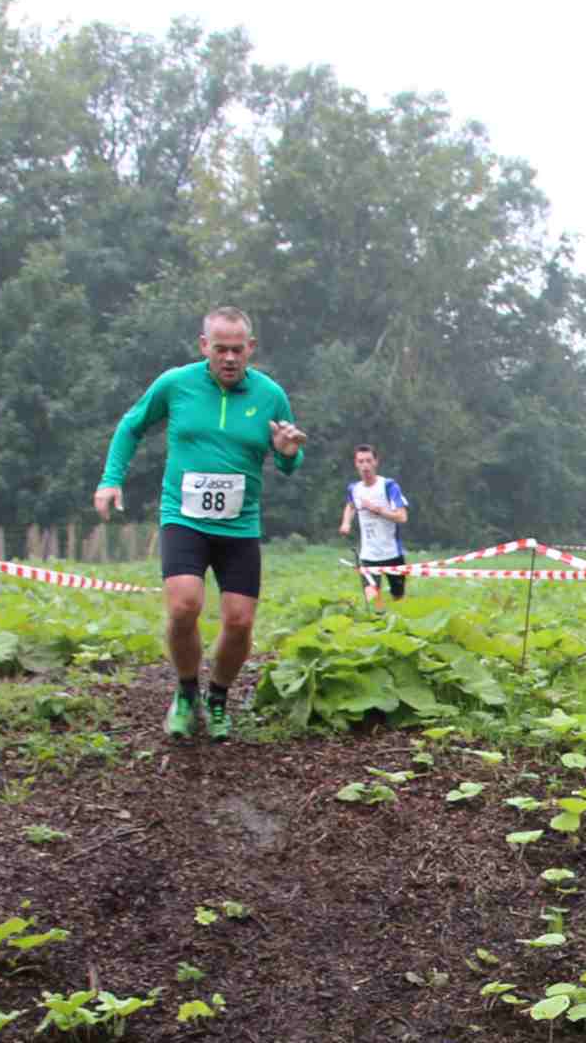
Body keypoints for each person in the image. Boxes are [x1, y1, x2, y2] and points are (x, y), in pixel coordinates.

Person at [94, 306, 306, 741]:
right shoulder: (176, 384)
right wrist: (111, 479)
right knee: (183, 606)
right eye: (220, 349)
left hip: (239, 525)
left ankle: (219, 697)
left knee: (240, 622)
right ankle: (187, 691)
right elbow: (132, 426)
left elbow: (289, 462)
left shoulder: (270, 395)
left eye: (237, 350)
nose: (229, 358)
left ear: (251, 348)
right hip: (184, 517)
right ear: (204, 346)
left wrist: (288, 453)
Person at [338, 444, 411, 612]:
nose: (365, 466)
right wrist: (346, 523)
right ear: (356, 464)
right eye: (361, 461)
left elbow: (402, 517)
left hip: (392, 554)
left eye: (368, 461)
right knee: (373, 601)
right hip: (368, 556)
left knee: (398, 598)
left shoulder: (389, 486)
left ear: (376, 462)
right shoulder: (354, 489)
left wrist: (377, 510)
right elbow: (351, 506)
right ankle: (378, 620)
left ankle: (398, 624)